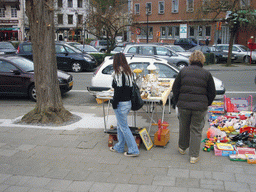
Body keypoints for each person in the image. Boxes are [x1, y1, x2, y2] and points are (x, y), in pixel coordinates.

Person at [172, 50, 216, 164]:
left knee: (184, 126)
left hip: (184, 105)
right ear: (202, 60)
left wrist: (177, 101)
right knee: (196, 130)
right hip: (200, 107)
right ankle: (193, 156)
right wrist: (207, 103)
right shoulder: (206, 74)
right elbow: (212, 92)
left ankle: (182, 147)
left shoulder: (183, 72)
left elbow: (175, 89)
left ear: (190, 59)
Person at [109, 53, 140, 157]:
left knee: (123, 127)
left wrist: (114, 103)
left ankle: (133, 149)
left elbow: (117, 90)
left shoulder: (118, 73)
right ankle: (120, 146)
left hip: (120, 103)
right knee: (120, 126)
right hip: (128, 103)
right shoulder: (129, 72)